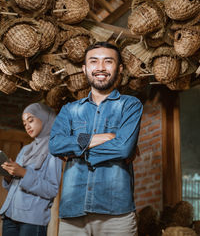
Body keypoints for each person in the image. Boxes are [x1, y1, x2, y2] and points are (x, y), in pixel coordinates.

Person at [49, 41, 143, 236]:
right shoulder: (69, 110)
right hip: (72, 212)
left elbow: (123, 149)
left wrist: (76, 150)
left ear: (119, 68)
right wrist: (104, 138)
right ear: (85, 69)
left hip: (116, 212)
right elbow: (55, 145)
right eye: (94, 61)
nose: (100, 67)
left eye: (108, 61)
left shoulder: (130, 105)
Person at [0, 103, 63, 236]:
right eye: (24, 123)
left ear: (45, 118)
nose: (27, 126)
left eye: (31, 120)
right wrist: (9, 176)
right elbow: (15, 187)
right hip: (10, 215)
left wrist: (23, 173)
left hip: (32, 220)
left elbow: (51, 190)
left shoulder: (54, 149)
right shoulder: (25, 150)